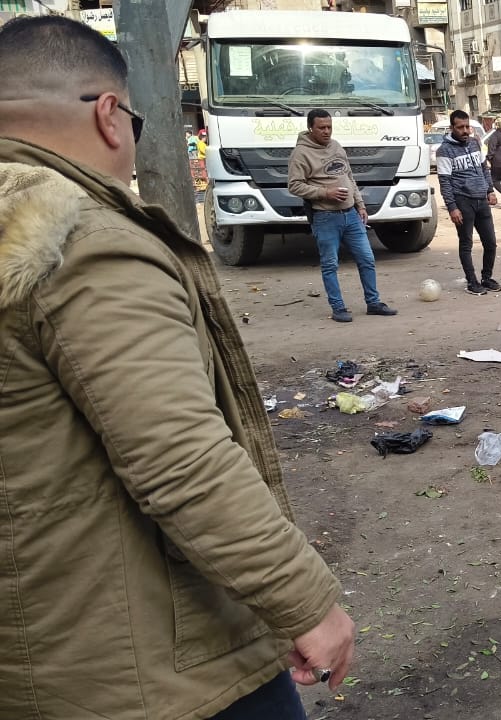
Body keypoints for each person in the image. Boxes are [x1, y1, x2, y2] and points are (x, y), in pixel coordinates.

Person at [0, 16, 354, 720]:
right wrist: (305, 600)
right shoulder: (78, 238)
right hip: (141, 662)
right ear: (109, 115)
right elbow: (178, 455)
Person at [288, 108, 398, 322]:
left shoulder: (336, 146)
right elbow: (294, 185)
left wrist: (360, 205)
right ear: (310, 128)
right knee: (330, 264)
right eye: (321, 128)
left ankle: (373, 303)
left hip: (351, 215)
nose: (326, 131)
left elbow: (349, 178)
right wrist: (324, 192)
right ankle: (338, 308)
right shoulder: (300, 153)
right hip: (325, 217)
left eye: (329, 127)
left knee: (367, 259)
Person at [437, 109, 501, 295]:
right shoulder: (444, 151)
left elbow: (484, 169)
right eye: (460, 127)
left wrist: (490, 190)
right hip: (462, 201)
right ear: (452, 128)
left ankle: (486, 278)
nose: (465, 131)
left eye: (467, 126)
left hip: (482, 200)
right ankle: (472, 282)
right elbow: (444, 182)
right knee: (466, 244)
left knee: (490, 242)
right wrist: (452, 207)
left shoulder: (475, 143)